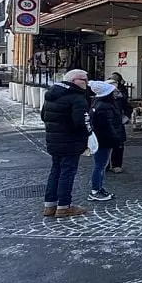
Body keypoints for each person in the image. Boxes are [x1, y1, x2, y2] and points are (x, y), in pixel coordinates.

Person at [40, 69, 92, 218]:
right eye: (84, 80)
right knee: (67, 173)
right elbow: (81, 122)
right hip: (70, 141)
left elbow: (44, 116)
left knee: (55, 171)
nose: (87, 84)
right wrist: (88, 134)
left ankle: (49, 206)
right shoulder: (76, 98)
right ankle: (64, 206)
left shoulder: (52, 94)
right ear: (74, 80)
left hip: (54, 140)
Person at [88, 81, 124, 202]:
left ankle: (98, 188)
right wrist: (116, 140)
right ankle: (95, 190)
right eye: (113, 91)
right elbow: (107, 126)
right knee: (100, 165)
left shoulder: (98, 102)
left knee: (101, 165)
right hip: (103, 140)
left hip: (102, 139)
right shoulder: (104, 106)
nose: (116, 93)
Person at [105, 73, 132, 173]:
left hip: (118, 123)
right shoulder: (102, 98)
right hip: (106, 123)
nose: (115, 90)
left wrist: (126, 116)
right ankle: (105, 164)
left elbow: (128, 107)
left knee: (119, 144)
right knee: (105, 145)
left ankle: (116, 164)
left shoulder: (121, 97)